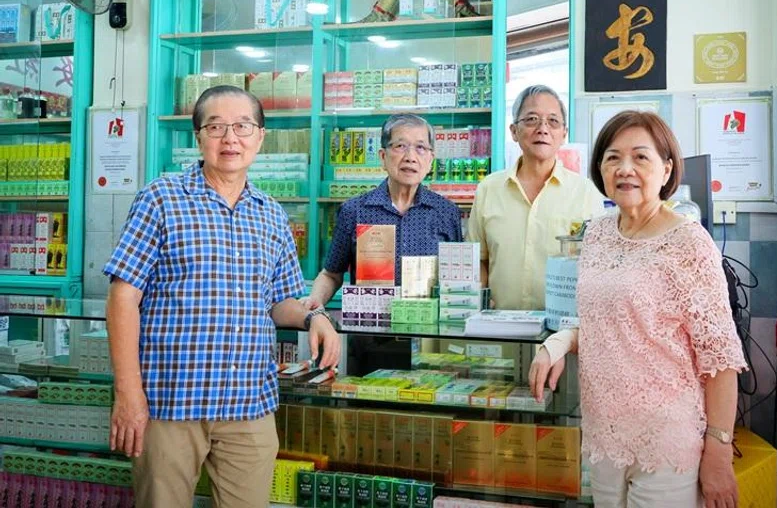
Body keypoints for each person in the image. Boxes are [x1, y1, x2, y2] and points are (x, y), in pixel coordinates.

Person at [103, 85, 340, 508]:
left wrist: (313, 317)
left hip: (248, 403)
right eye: (216, 126)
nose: (230, 138)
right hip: (169, 401)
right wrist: (128, 392)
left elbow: (281, 300)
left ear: (260, 136)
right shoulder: (162, 198)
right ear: (198, 137)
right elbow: (123, 298)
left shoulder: (271, 213)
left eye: (243, 126)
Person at [529, 110, 746, 508]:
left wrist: (718, 450)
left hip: (665, 441)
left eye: (640, 157)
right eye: (613, 157)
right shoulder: (596, 233)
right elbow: (611, 321)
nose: (624, 168)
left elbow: (721, 358)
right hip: (604, 435)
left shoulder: (689, 243)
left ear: (666, 170)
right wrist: (561, 340)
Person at [467, 85, 605, 310]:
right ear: (514, 131)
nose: (543, 129)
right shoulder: (488, 188)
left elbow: (598, 266)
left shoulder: (585, 192)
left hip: (562, 333)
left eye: (553, 121)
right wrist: (478, 301)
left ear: (563, 134)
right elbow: (478, 259)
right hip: (500, 330)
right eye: (532, 119)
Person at [305, 113, 463, 307]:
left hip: (428, 333)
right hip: (369, 329)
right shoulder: (354, 211)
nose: (410, 157)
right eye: (400, 146)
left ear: (431, 160)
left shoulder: (447, 213)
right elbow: (331, 273)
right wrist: (316, 300)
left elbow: (456, 279)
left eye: (420, 148)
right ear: (383, 157)